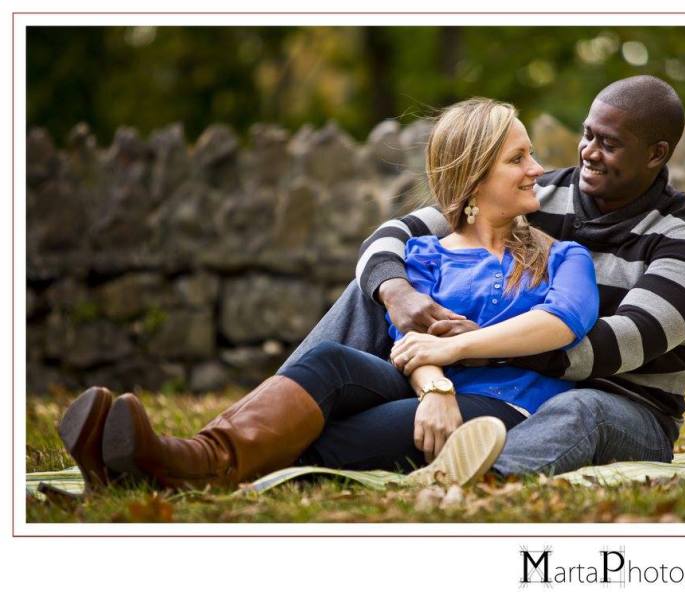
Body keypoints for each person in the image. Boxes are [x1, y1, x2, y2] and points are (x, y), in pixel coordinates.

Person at [59, 98, 598, 491]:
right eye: (518, 158)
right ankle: (186, 457)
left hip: (506, 406)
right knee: (329, 362)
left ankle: (170, 468)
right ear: (474, 177)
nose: (537, 170)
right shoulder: (424, 256)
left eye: (530, 156)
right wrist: (436, 389)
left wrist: (455, 350)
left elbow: (563, 321)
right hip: (432, 394)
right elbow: (408, 343)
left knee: (345, 432)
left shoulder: (561, 256)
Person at [283, 75, 685, 478]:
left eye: (609, 144)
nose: (590, 152)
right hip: (486, 380)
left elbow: (621, 345)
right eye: (588, 135)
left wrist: (478, 342)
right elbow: (400, 234)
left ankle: (479, 481)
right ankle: (278, 409)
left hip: (624, 409)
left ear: (656, 154)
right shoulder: (537, 194)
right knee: (375, 288)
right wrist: (396, 291)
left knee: (582, 409)